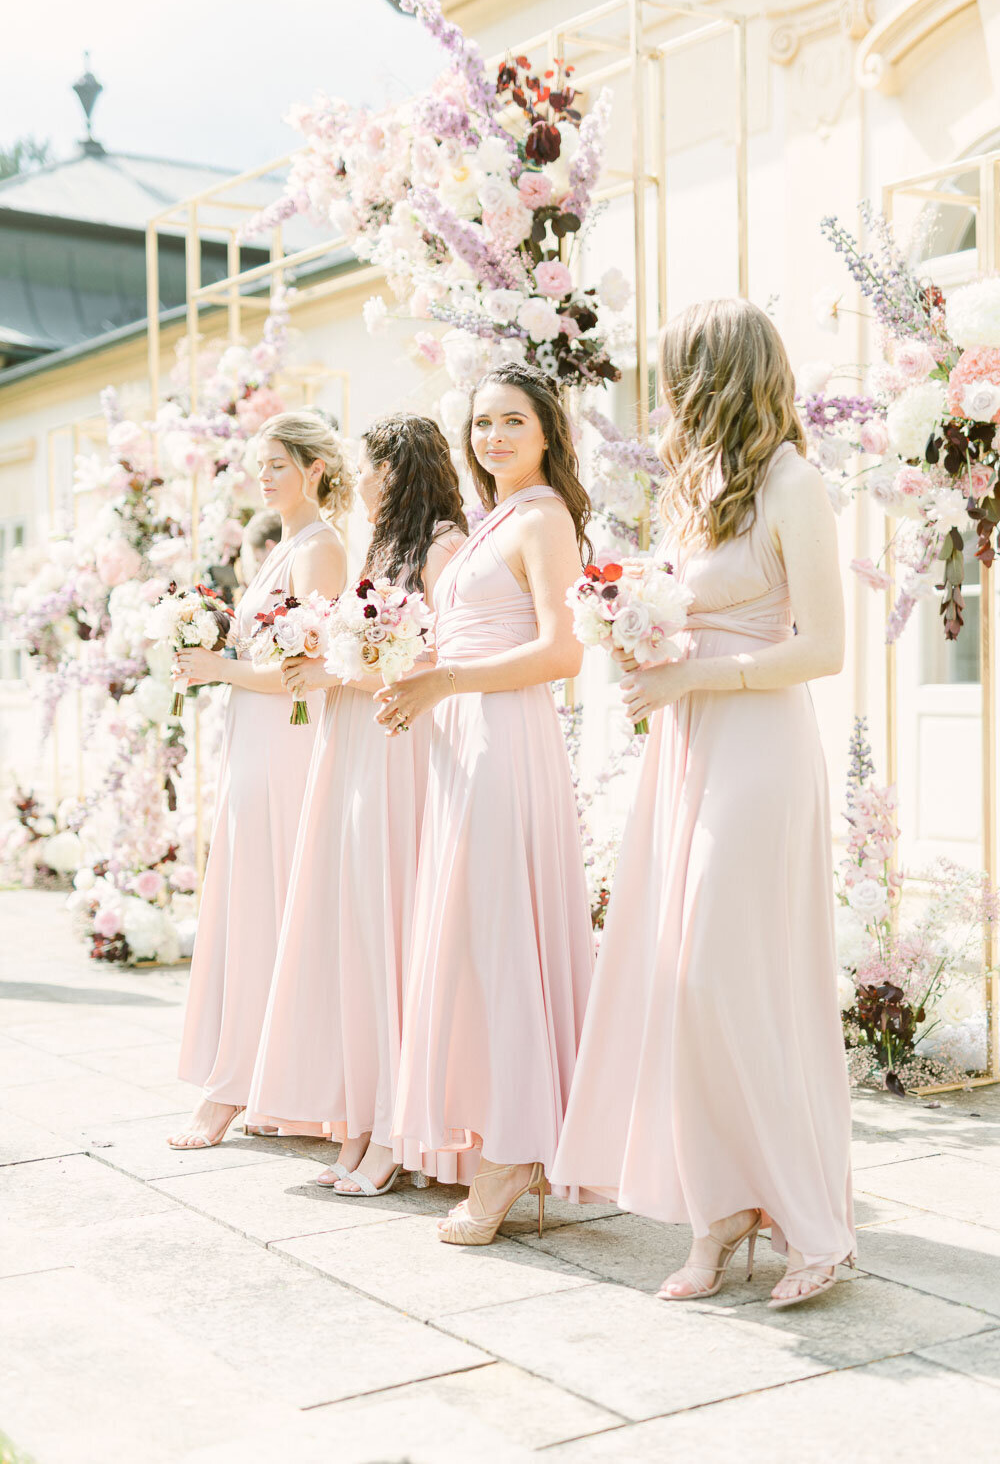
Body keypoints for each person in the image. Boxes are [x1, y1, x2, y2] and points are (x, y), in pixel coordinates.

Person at [551, 299, 855, 1309]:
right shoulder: (697, 491)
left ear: (721, 373)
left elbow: (822, 648)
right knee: (676, 981)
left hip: (758, 748)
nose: (666, 393)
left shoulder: (792, 483)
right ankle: (717, 1214)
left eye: (678, 372)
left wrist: (695, 680)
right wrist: (637, 635)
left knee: (723, 980)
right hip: (688, 750)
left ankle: (808, 1221)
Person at [376, 361, 595, 1243]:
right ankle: (510, 1130)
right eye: (480, 425)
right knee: (472, 934)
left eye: (512, 421)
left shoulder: (543, 519)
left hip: (506, 738)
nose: (494, 437)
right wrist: (426, 674)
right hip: (466, 737)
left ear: (546, 430)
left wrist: (452, 680)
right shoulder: (490, 519)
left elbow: (564, 651)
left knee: (501, 936)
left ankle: (513, 1152)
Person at [246, 414, 467, 1195]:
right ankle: (362, 1114)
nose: (359, 479)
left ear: (398, 470)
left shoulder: (442, 546)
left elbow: (451, 655)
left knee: (385, 930)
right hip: (350, 744)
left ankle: (393, 1127)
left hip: (396, 748)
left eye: (370, 466)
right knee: (351, 930)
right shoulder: (380, 550)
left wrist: (349, 668)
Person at [168, 410, 351, 1149]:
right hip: (256, 740)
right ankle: (260, 1078)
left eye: (277, 463)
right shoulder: (283, 547)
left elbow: (305, 675)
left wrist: (220, 668)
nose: (264, 476)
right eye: (260, 464)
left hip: (287, 743)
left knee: (267, 901)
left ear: (314, 468)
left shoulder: (322, 551)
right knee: (252, 902)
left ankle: (237, 1086)